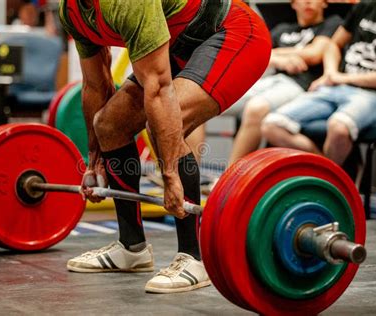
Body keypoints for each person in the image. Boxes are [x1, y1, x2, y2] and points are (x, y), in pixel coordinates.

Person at [58, 0, 271, 293]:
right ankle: (131, 248)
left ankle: (193, 257)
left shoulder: (125, 3)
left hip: (233, 33)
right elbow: (96, 85)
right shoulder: (72, 11)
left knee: (165, 124)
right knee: (110, 123)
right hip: (179, 45)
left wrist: (170, 175)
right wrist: (95, 160)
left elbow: (158, 89)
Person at [261, 0, 376, 168]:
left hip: (374, 96)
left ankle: (327, 180)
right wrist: (330, 73)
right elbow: (332, 44)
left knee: (339, 128)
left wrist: (343, 78)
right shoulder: (365, 7)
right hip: (336, 88)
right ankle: (329, 175)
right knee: (272, 125)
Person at [227, 0, 341, 164]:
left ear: (324, 3)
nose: (308, 2)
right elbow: (257, 55)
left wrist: (275, 54)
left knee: (256, 108)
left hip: (302, 84)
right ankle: (189, 175)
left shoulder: (332, 23)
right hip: (273, 81)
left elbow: (314, 54)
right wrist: (281, 60)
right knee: (207, 103)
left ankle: (230, 177)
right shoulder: (283, 29)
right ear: (294, 4)